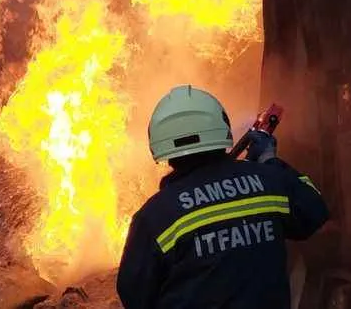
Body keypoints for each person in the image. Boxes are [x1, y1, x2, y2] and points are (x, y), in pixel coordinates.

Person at [117, 85, 329, 309]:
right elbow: (315, 210)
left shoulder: (155, 217)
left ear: (160, 145)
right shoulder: (269, 182)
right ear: (222, 128)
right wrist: (270, 161)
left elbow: (134, 295)